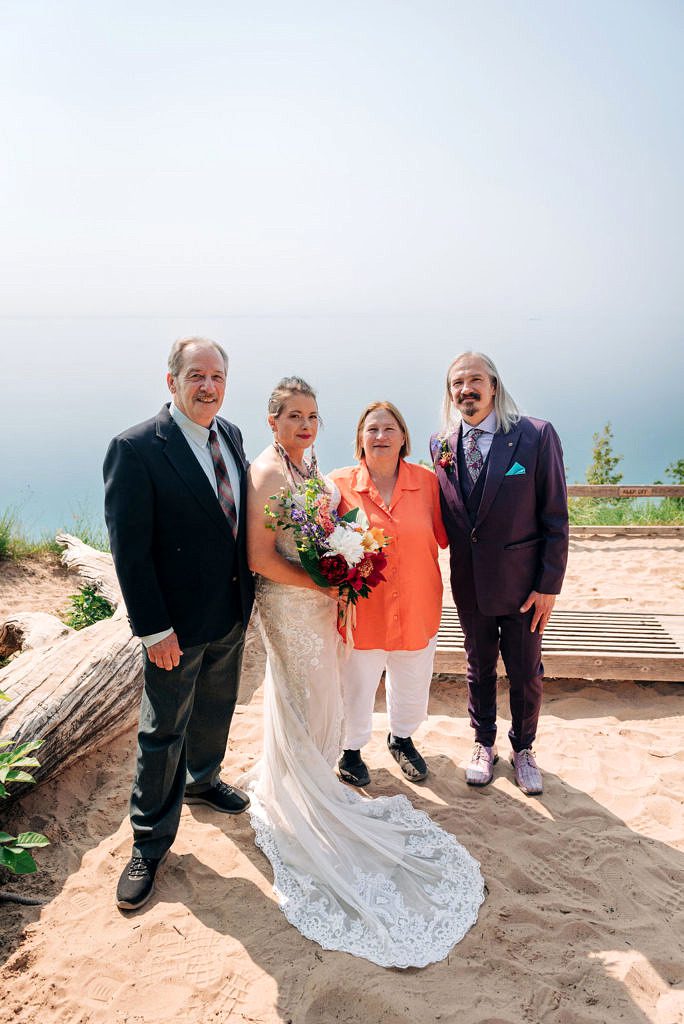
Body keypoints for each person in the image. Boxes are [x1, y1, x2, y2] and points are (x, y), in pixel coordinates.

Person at [243, 376, 484, 968]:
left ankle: (325, 776)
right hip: (298, 605)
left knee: (318, 700)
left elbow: (334, 536)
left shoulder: (316, 474)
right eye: (293, 415)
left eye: (312, 415)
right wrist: (328, 579)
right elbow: (261, 554)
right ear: (272, 421)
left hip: (330, 607)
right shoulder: (278, 473)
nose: (304, 424)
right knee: (314, 697)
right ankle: (310, 791)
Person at [104, 336, 254, 910]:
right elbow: (130, 552)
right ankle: (148, 842)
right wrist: (153, 629)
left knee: (216, 707)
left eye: (217, 376)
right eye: (196, 376)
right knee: (161, 729)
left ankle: (204, 779)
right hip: (173, 626)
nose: (208, 386)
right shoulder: (136, 448)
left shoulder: (232, 436)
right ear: (171, 381)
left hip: (230, 613)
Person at [431, 351, 568, 796]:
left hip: (523, 586)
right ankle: (483, 743)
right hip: (469, 583)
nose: (465, 390)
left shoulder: (534, 435)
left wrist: (548, 585)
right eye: (457, 384)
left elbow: (555, 516)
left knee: (526, 671)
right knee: (478, 669)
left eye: (474, 381)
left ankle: (524, 748)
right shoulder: (441, 446)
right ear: (450, 393)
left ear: (493, 385)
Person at [329, 402, 447, 788]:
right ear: (360, 439)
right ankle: (351, 749)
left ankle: (402, 738)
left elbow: (449, 537)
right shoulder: (339, 485)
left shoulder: (428, 483)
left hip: (418, 604)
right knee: (356, 684)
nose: (380, 436)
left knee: (412, 679)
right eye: (372, 430)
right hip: (363, 612)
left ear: (403, 438)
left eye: (389, 429)